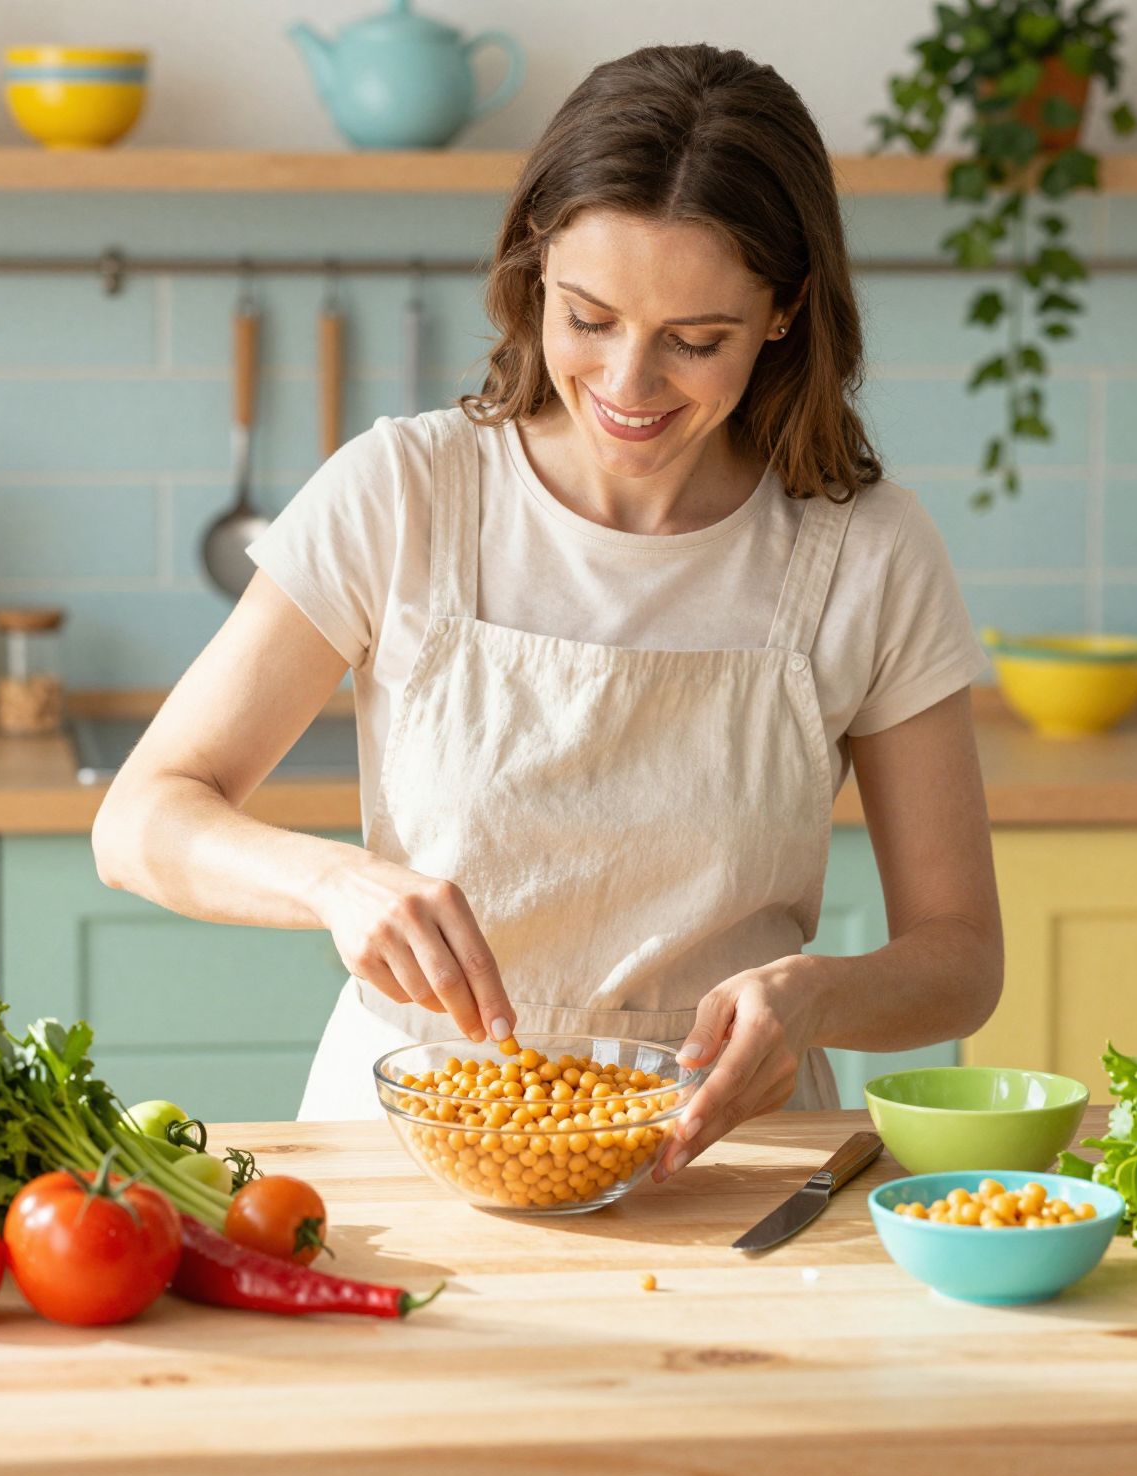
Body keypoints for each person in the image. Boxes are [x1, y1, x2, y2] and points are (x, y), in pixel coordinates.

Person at [93, 43, 1003, 1182]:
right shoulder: (405, 493)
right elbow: (138, 820)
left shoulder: (865, 552)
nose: (629, 384)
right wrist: (333, 883)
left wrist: (816, 997)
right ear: (532, 276)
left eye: (694, 340)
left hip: (722, 1159)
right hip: (409, 1148)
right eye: (588, 318)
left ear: (784, 312)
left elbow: (960, 956)